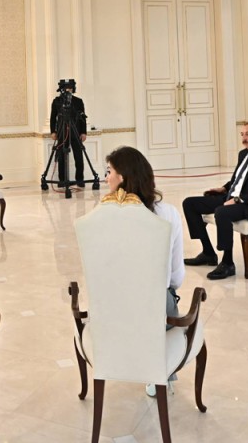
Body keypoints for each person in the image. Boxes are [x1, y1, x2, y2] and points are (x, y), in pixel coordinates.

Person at [105, 146, 184, 397]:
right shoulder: (168, 214)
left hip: (113, 306)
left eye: (109, 172)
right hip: (155, 305)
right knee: (164, 297)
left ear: (122, 178)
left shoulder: (103, 217)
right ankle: (161, 370)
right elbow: (177, 274)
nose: (106, 179)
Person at [182, 122, 248, 280]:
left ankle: (228, 263)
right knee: (189, 203)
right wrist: (224, 188)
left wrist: (238, 199)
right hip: (232, 197)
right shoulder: (244, 154)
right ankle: (208, 253)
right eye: (242, 134)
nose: (244, 137)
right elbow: (239, 179)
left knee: (222, 212)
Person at [50, 79, 88, 187]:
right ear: (62, 89)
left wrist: (83, 132)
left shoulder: (78, 101)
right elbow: (53, 117)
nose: (68, 90)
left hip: (76, 132)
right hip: (62, 132)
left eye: (70, 88)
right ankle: (62, 180)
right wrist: (53, 131)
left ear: (73, 89)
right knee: (62, 156)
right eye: (66, 88)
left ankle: (80, 180)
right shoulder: (57, 101)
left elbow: (82, 118)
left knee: (78, 156)